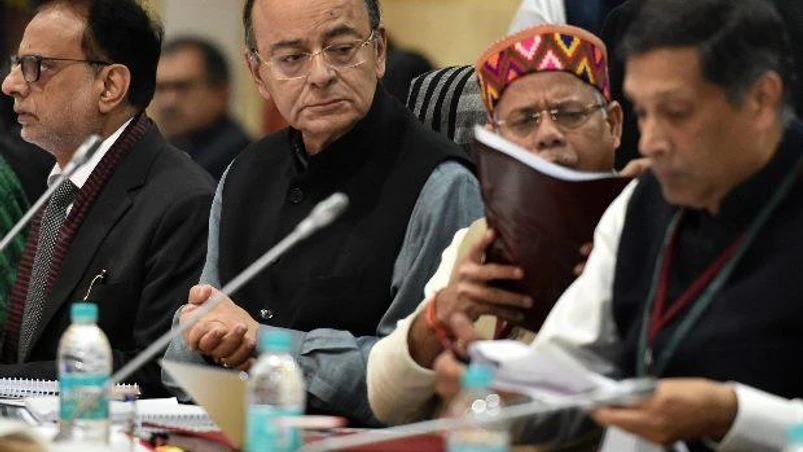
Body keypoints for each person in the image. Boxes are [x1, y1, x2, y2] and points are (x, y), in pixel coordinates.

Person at [434, 0, 803, 450]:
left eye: (676, 113)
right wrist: (497, 386)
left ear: (762, 99)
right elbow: (566, 363)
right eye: (644, 114)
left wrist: (731, 414)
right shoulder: (638, 204)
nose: (649, 143)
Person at [161, 0, 482, 425]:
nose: (321, 75)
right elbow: (180, 370)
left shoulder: (440, 183)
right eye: (292, 57)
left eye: (343, 49)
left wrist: (264, 344)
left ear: (379, 51)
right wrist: (204, 333)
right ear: (258, 73)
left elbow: (415, 377)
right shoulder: (244, 172)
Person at [367, 23, 630, 425]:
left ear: (613, 125)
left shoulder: (644, 225)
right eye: (525, 120)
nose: (548, 134)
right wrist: (443, 313)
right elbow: (384, 400)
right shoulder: (475, 239)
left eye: (570, 115)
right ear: (496, 141)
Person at [0, 0, 214, 397]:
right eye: (16, 64)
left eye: (37, 66)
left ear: (110, 86)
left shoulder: (183, 201)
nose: (10, 83)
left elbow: (155, 371)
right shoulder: (61, 184)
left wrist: (6, 380)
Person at [152, 37, 252, 180]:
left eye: (182, 87)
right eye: (161, 88)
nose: (169, 102)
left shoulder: (241, 161)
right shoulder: (166, 151)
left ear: (221, 91)